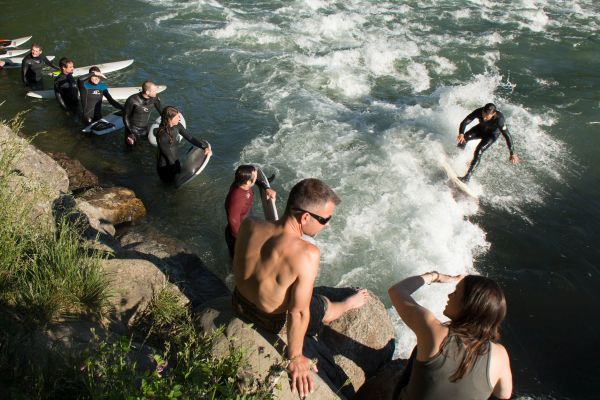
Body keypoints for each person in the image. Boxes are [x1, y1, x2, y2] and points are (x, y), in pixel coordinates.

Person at [232, 178, 370, 398]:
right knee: (318, 305)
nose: (328, 225)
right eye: (326, 220)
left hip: (237, 303)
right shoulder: (307, 254)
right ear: (305, 217)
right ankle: (347, 303)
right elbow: (298, 312)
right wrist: (295, 357)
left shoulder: (250, 224)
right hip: (269, 321)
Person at [360, 273, 512, 399]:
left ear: (467, 305)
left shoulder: (434, 332)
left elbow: (397, 290)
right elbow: (504, 394)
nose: (449, 295)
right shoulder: (500, 355)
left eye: (456, 292)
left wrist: (435, 276)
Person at [456, 103, 520, 182]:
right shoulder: (479, 111)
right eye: (484, 114)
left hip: (491, 136)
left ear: (493, 114)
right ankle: (456, 156)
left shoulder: (499, 119)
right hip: (480, 129)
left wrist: (512, 153)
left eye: (487, 116)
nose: (484, 117)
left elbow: (507, 135)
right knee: (464, 138)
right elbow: (465, 121)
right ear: (483, 111)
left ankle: (467, 177)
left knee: (479, 151)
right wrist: (461, 133)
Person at [224, 165, 276, 257]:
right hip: (237, 237)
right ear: (248, 181)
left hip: (247, 222)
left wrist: (266, 187)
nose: (257, 178)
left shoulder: (241, 183)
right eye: (255, 177)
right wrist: (243, 242)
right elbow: (233, 222)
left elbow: (257, 181)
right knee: (237, 265)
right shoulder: (237, 197)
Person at [155, 106, 212, 183]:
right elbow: (169, 157)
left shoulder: (178, 126)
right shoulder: (161, 135)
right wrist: (176, 174)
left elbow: (190, 138)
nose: (179, 118)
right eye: (177, 117)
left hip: (174, 161)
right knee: (169, 187)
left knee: (175, 184)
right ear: (169, 119)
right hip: (165, 167)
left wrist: (204, 147)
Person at [123, 80, 162, 146]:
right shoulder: (132, 100)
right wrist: (130, 133)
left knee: (146, 148)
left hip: (144, 129)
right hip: (132, 130)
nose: (156, 92)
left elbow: (161, 111)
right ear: (147, 92)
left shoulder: (154, 99)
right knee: (129, 150)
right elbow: (125, 117)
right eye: (154, 91)